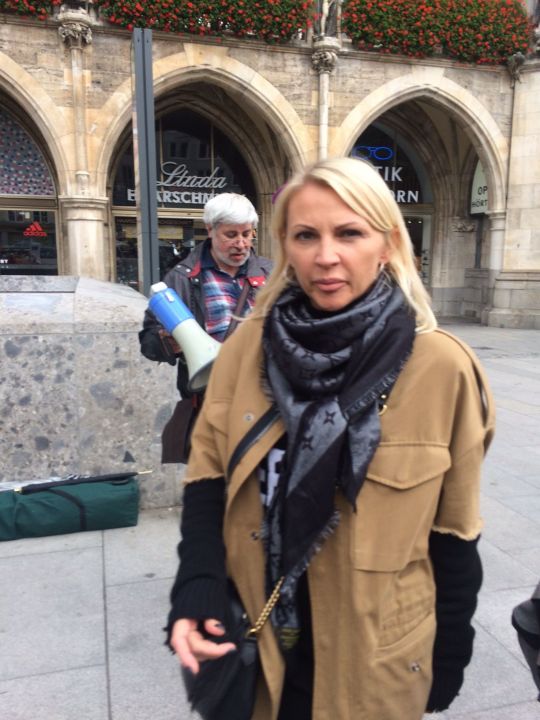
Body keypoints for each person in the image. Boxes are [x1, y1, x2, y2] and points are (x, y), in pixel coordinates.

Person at [166, 157, 495, 719]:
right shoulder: (246, 349)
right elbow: (208, 477)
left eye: (349, 233)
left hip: (376, 656)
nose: (325, 256)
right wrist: (195, 586)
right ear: (286, 247)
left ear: (388, 243)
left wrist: (450, 653)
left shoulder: (443, 368)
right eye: (305, 236)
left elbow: (454, 532)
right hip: (259, 645)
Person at [139, 192, 273, 461]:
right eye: (231, 235)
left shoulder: (271, 272)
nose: (241, 243)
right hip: (214, 406)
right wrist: (169, 342)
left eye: (247, 234)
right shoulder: (181, 279)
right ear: (210, 230)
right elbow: (148, 342)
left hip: (268, 401)